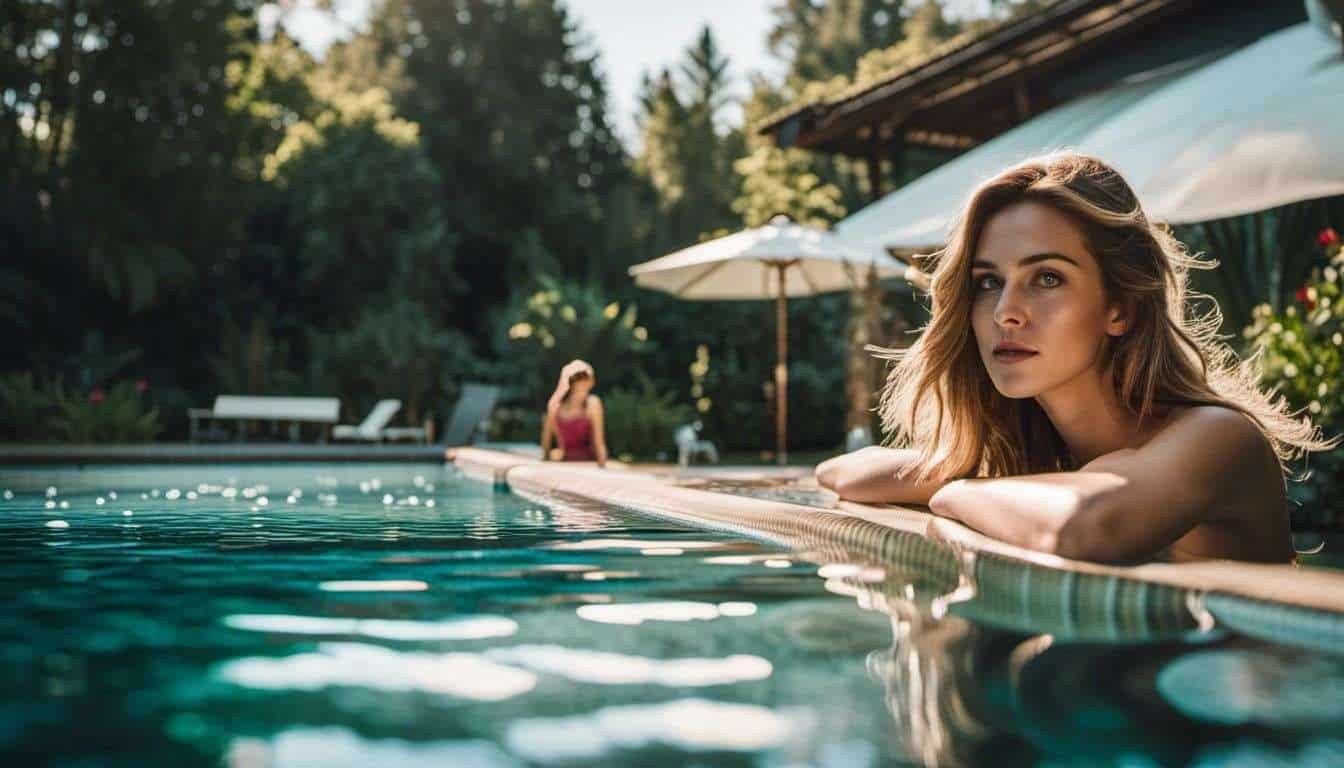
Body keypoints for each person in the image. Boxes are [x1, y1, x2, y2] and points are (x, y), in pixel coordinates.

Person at [816, 153, 1334, 564]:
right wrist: (970, 478)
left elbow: (1086, 528)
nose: (1005, 313)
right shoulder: (1042, 457)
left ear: (1120, 309)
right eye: (989, 282)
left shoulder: (1218, 438)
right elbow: (847, 471)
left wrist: (956, 492)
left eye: (1047, 278)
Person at [540, 359, 609, 467]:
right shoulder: (556, 407)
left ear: (591, 381)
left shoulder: (593, 404)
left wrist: (603, 467)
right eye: (578, 378)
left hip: (588, 464)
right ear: (570, 381)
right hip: (566, 462)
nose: (582, 382)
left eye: (585, 377)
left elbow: (599, 443)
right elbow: (546, 445)